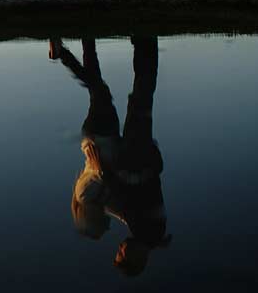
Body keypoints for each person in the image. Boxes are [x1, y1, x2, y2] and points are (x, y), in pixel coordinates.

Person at [51, 37, 171, 276]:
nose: (120, 246)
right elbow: (129, 198)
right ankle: (144, 41)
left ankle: (140, 42)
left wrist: (101, 191)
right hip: (137, 154)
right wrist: (102, 172)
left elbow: (124, 206)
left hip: (134, 155)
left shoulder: (145, 232)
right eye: (121, 253)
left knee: (138, 96)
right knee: (140, 95)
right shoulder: (148, 231)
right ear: (135, 259)